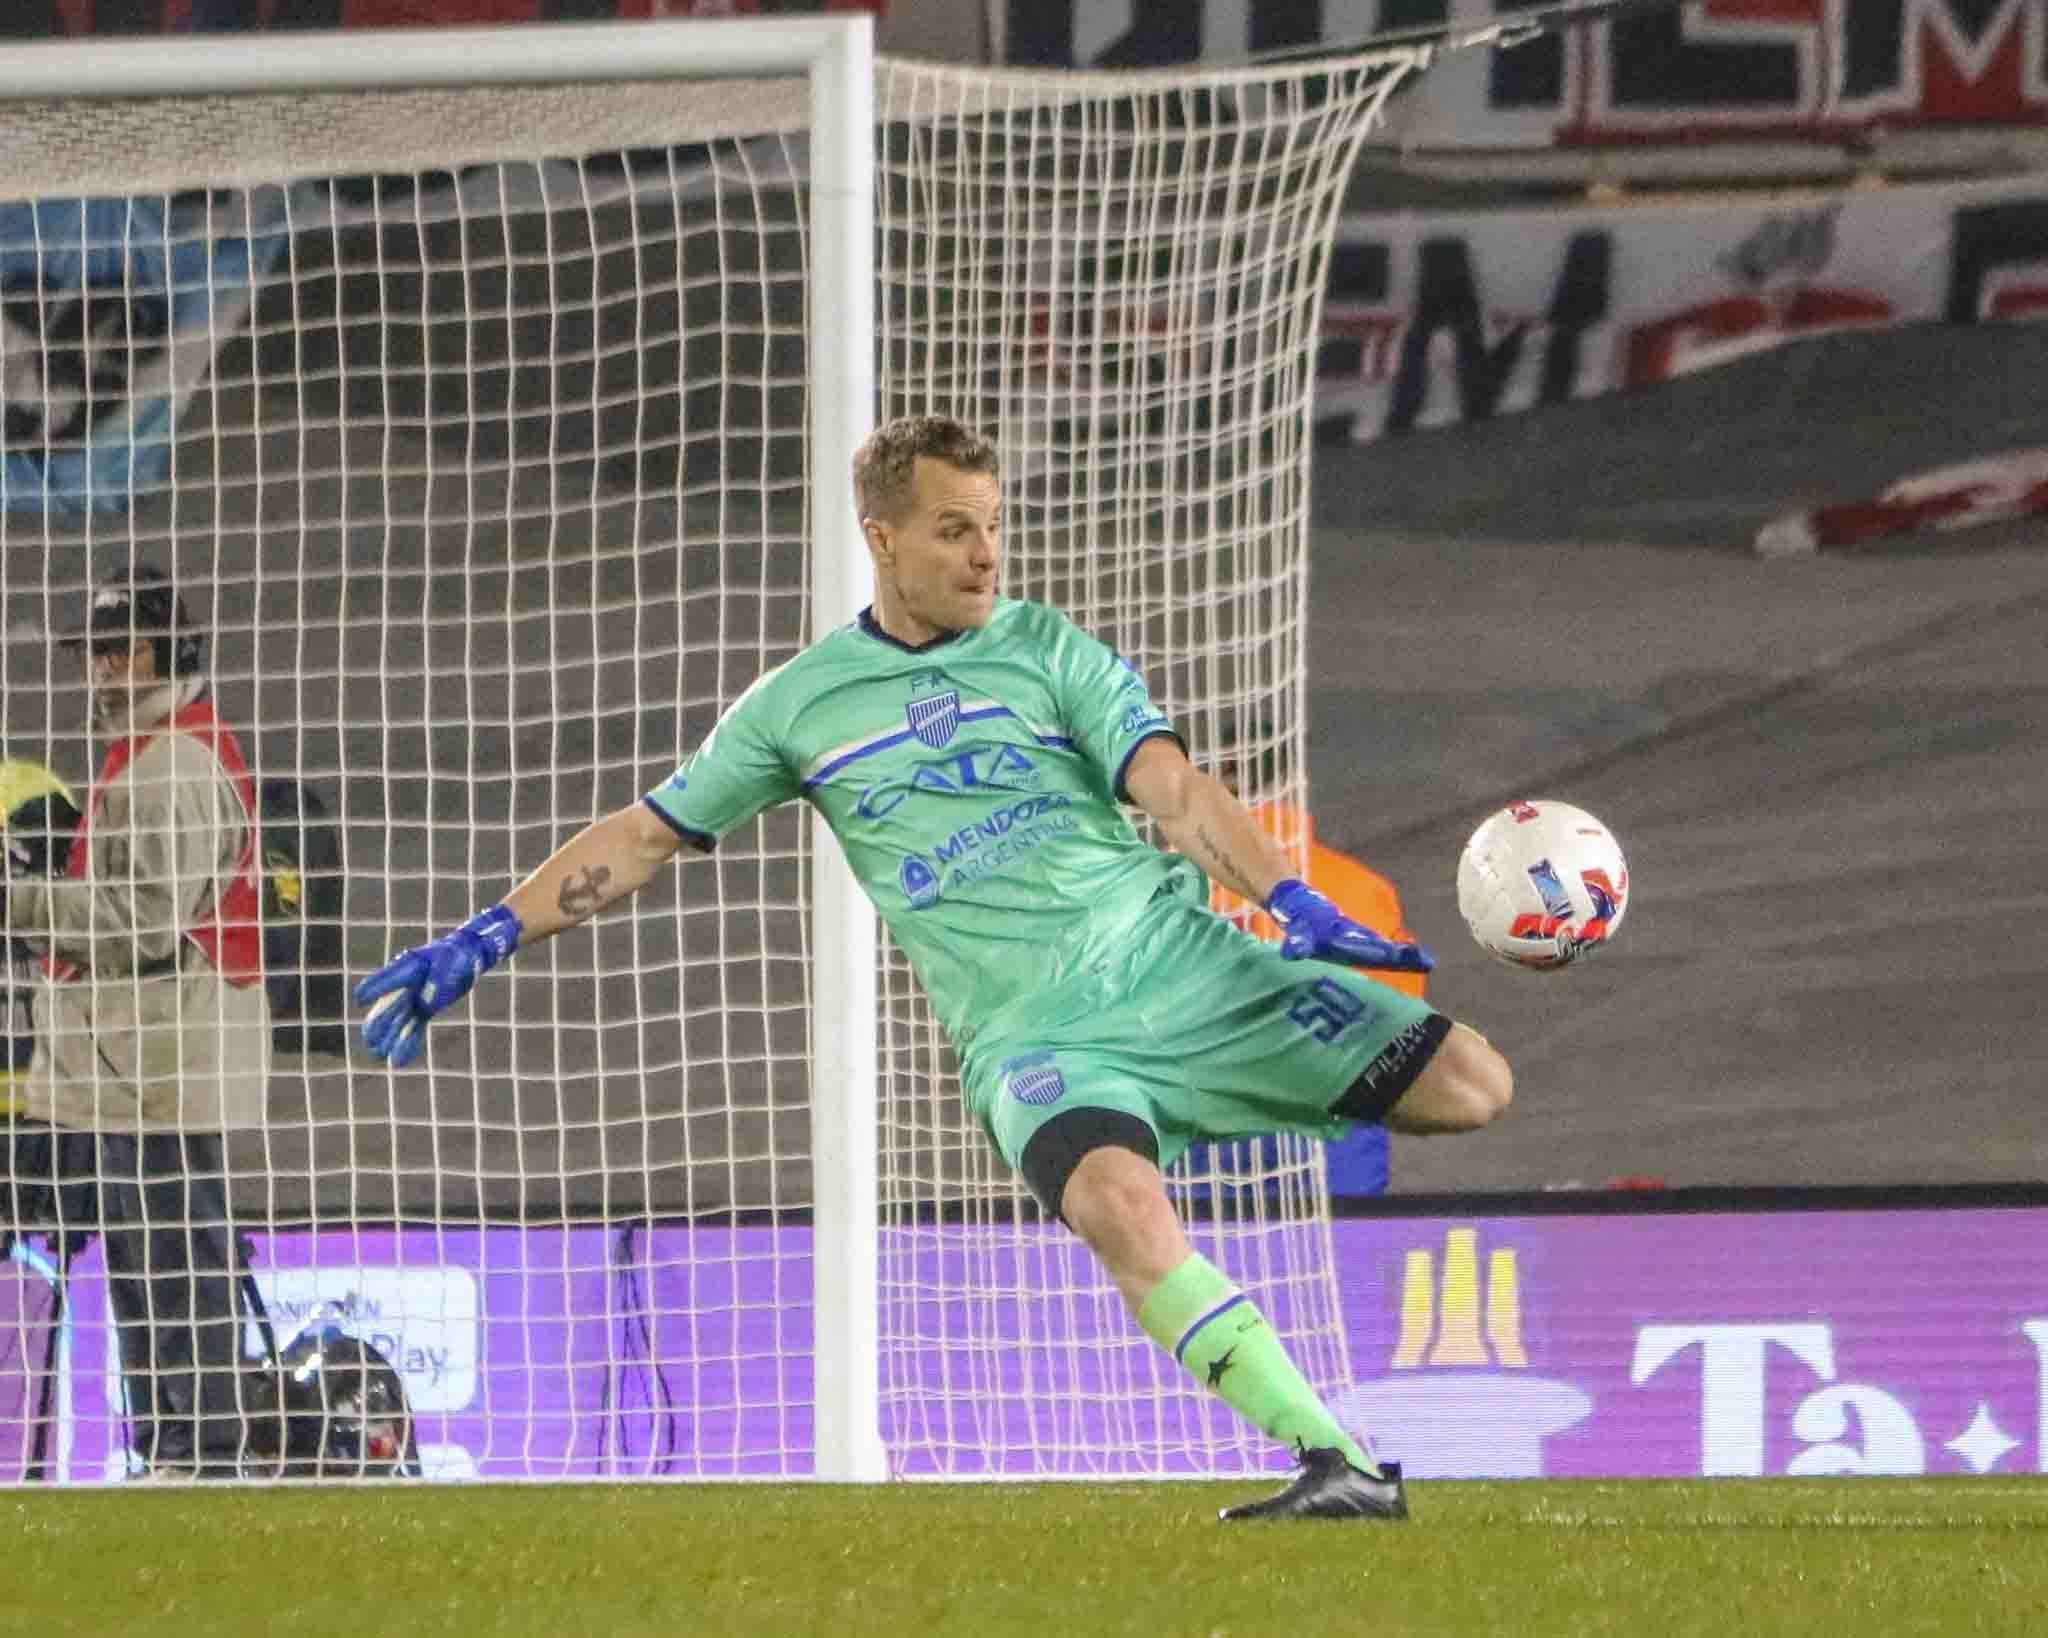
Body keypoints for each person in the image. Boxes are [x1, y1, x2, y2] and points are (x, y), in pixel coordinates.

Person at [355, 416, 1513, 1520]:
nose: (986, 551)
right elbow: (647, 834)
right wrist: (486, 935)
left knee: (1471, 1086)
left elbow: (1172, 785)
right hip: (1036, 1040)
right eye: (955, 527)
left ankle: (1242, 1165)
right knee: (1117, 1204)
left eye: (992, 523)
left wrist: (1287, 896)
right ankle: (1336, 1460)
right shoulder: (799, 708)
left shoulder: (1047, 648)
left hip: (1188, 970)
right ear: (882, 536)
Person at [2, 569, 273, 1476]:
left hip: (166, 1060)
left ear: (172, 652)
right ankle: (175, 1446)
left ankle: (199, 1449)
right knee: (154, 1264)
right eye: (98, 652)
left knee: (172, 1263)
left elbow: (148, 922)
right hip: (141, 1061)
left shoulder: (171, 764)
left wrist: (22, 905)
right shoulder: (154, 751)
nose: (105, 671)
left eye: (124, 651)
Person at [1207, 728, 1427, 1196]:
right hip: (1333, 1119)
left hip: (1207, 1122)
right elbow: (1401, 1022)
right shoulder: (1360, 889)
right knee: (1344, 1258)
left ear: (1216, 783)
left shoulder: (1171, 883)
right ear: (1297, 778)